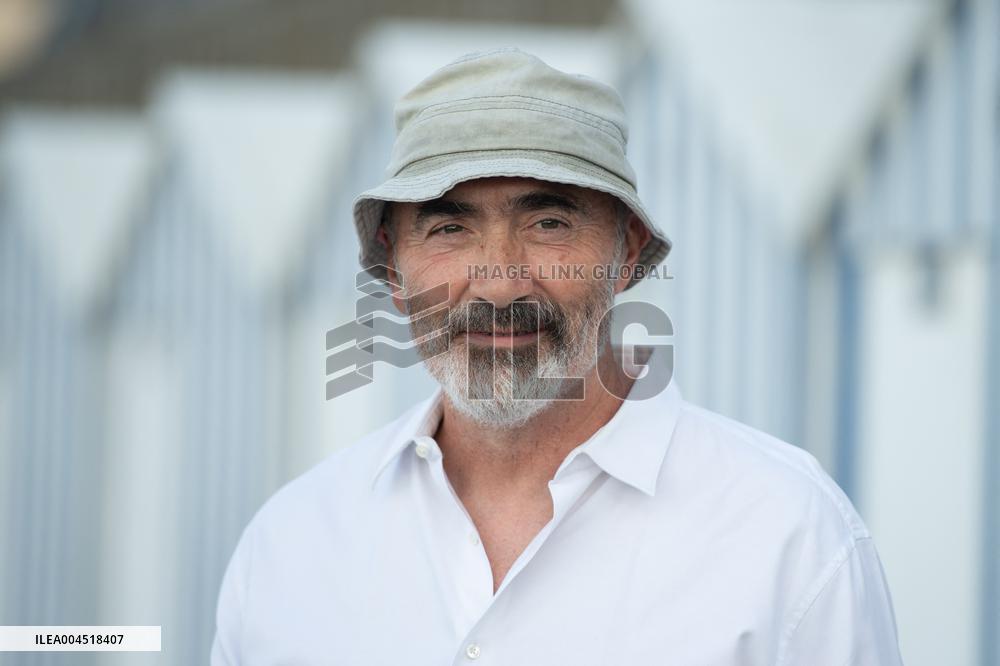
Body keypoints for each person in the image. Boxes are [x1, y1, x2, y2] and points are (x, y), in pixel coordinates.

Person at [211, 48, 904, 665]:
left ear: (626, 253)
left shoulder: (789, 536)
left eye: (549, 223)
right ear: (394, 272)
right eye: (450, 226)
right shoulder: (290, 547)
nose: (500, 282)